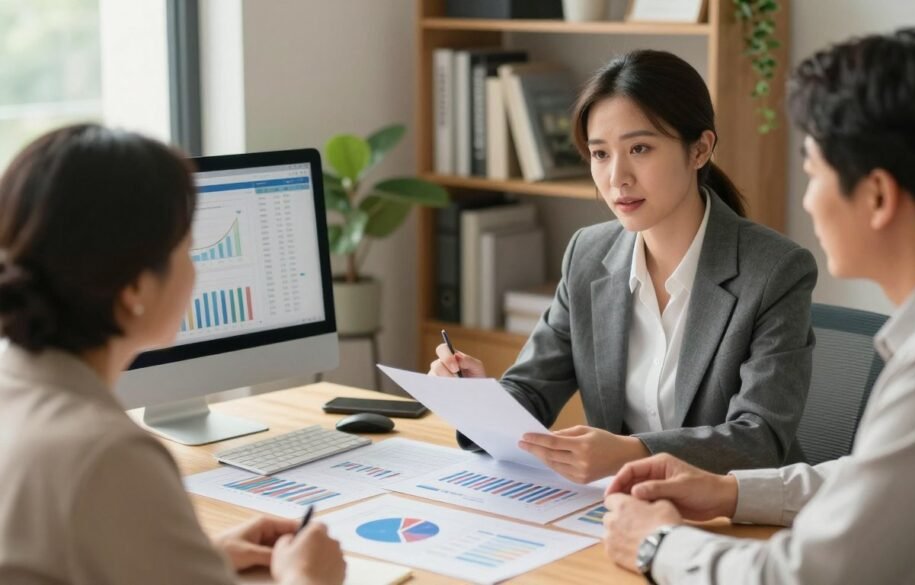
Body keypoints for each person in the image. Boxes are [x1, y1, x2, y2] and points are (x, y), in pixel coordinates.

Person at [602, 29, 915, 584]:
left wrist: (656, 545)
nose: (806, 200)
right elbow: (888, 482)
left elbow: (808, 577)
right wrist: (730, 490)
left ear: (876, 196)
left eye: (813, 172)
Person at [430, 49, 818, 483]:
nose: (617, 177)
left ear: (700, 149)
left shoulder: (775, 271)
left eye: (639, 148)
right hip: (622, 509)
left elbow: (759, 440)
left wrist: (629, 454)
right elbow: (532, 390)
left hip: (735, 517)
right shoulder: (587, 255)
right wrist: (479, 402)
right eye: (600, 154)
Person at [0, 124, 346, 585]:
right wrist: (308, 578)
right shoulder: (110, 454)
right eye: (186, 248)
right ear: (136, 290)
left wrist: (197, 558)